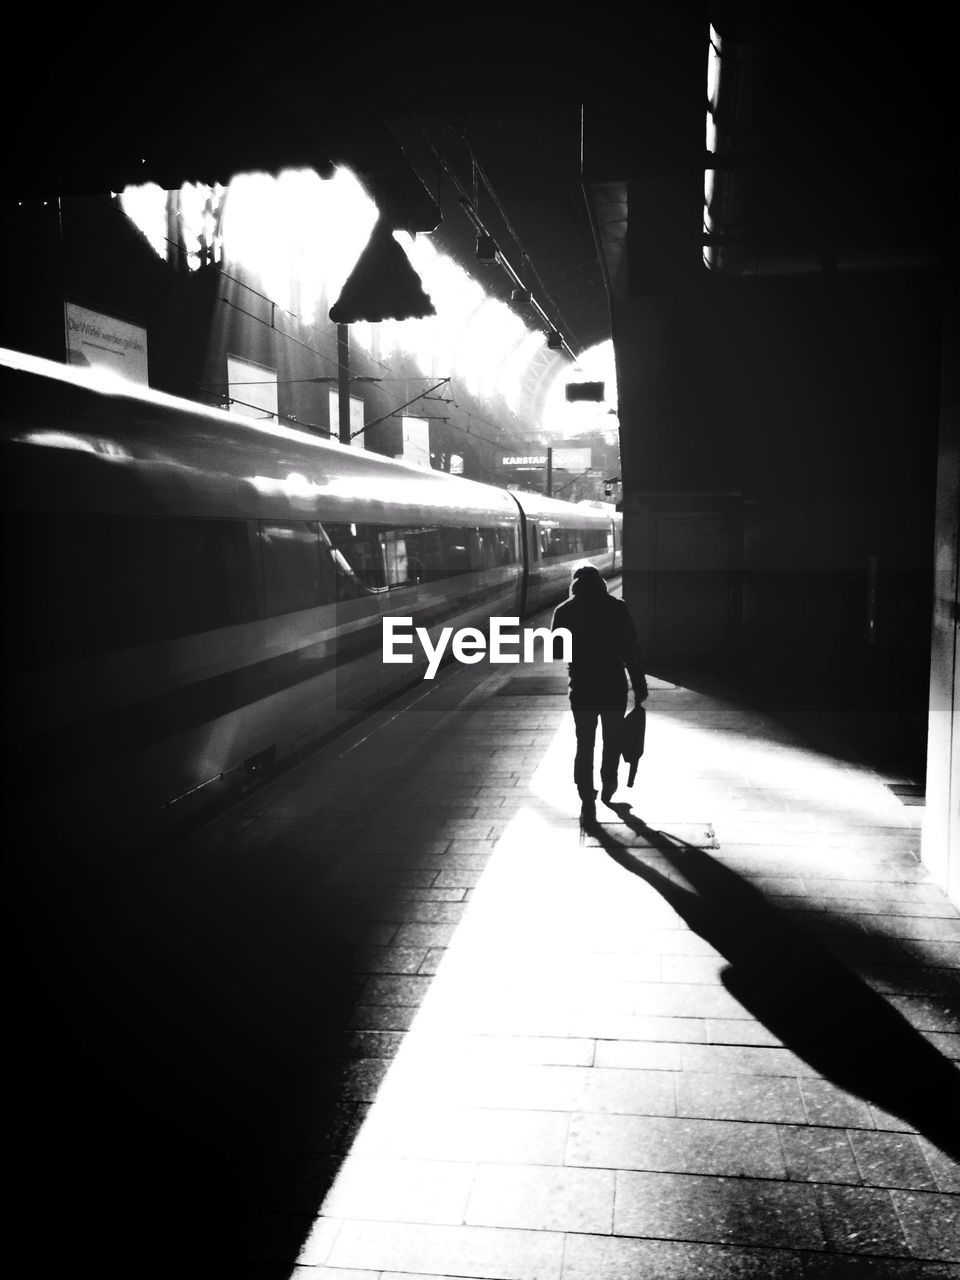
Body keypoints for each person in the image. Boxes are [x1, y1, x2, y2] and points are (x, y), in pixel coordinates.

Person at [552, 563, 648, 824]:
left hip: (582, 687)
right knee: (612, 738)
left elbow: (557, 652)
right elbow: (631, 650)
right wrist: (639, 684)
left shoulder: (564, 610)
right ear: (601, 583)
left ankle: (586, 792)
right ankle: (609, 784)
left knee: (584, 742)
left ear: (575, 584)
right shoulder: (617, 607)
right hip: (613, 685)